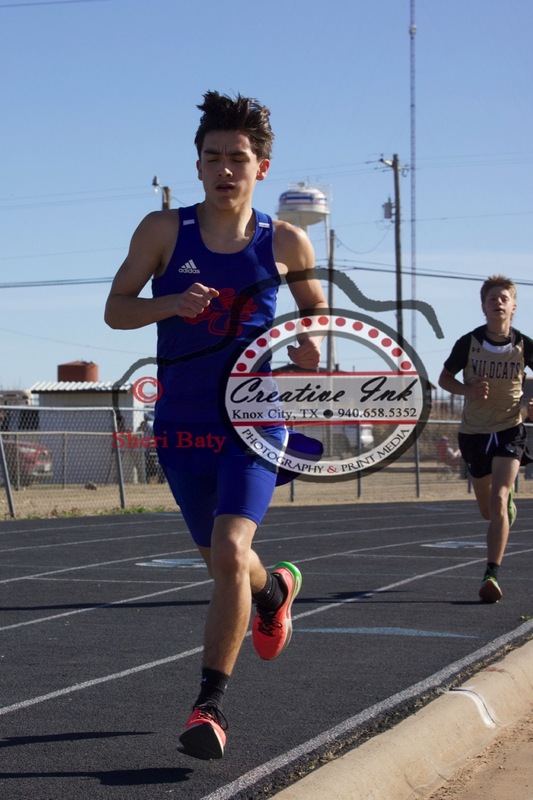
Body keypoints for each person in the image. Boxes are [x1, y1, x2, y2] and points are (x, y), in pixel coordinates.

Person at [104, 91, 327, 759]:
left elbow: (314, 310)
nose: (224, 169)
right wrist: (170, 301)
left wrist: (308, 344)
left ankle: (209, 708)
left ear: (261, 166)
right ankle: (275, 589)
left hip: (255, 420)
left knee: (230, 553)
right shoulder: (163, 231)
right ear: (197, 166)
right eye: (212, 159)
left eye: (238, 159)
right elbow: (116, 310)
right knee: (225, 566)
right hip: (181, 422)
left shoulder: (285, 239)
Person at [438, 275, 533, 604]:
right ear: (483, 306)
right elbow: (444, 378)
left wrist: (529, 403)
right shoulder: (469, 343)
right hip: (473, 432)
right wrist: (469, 390)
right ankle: (502, 511)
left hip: (510, 428)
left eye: (504, 297)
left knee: (499, 497)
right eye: (492, 298)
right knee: (487, 509)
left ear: (514, 306)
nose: (498, 302)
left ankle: (491, 573)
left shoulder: (525, 345)